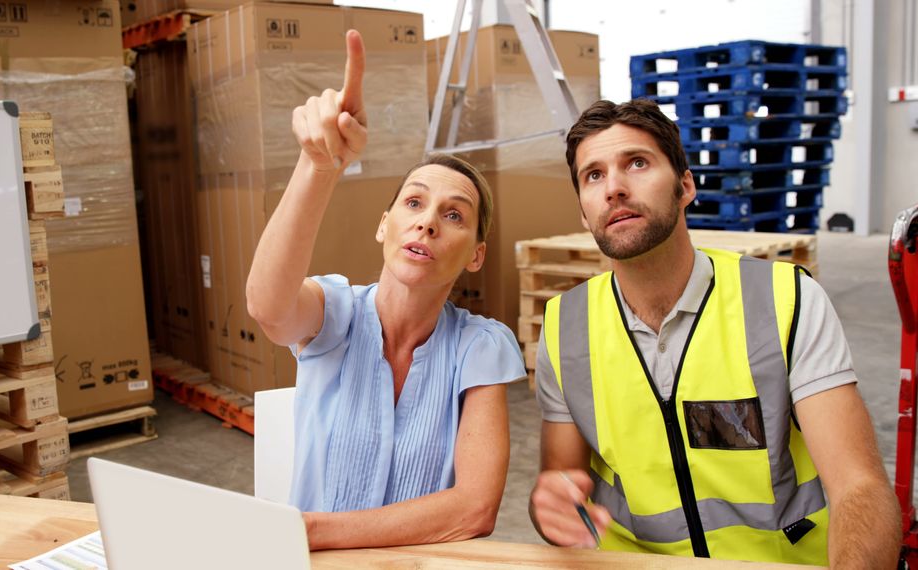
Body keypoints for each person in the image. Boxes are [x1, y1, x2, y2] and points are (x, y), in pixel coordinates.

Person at [528, 99, 901, 567]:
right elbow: (561, 491)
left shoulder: (783, 300)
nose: (614, 189)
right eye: (594, 176)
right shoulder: (565, 327)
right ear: (584, 213)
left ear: (686, 186)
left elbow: (859, 486)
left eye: (637, 163)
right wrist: (552, 509)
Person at [246, 30, 526, 551]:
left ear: (476, 255)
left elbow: (475, 508)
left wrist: (311, 531)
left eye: (454, 214)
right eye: (414, 204)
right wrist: (318, 166)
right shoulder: (334, 315)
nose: (427, 225)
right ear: (384, 226)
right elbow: (268, 305)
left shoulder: (479, 347)